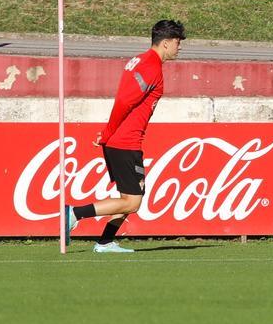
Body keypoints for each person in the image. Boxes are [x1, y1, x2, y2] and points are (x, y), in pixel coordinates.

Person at [63, 19, 185, 252]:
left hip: (123, 140)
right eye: (178, 42)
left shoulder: (141, 60)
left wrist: (109, 133)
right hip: (125, 142)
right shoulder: (150, 67)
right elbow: (124, 101)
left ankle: (105, 241)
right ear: (166, 43)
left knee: (126, 199)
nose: (180, 47)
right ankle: (74, 213)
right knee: (133, 201)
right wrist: (108, 132)